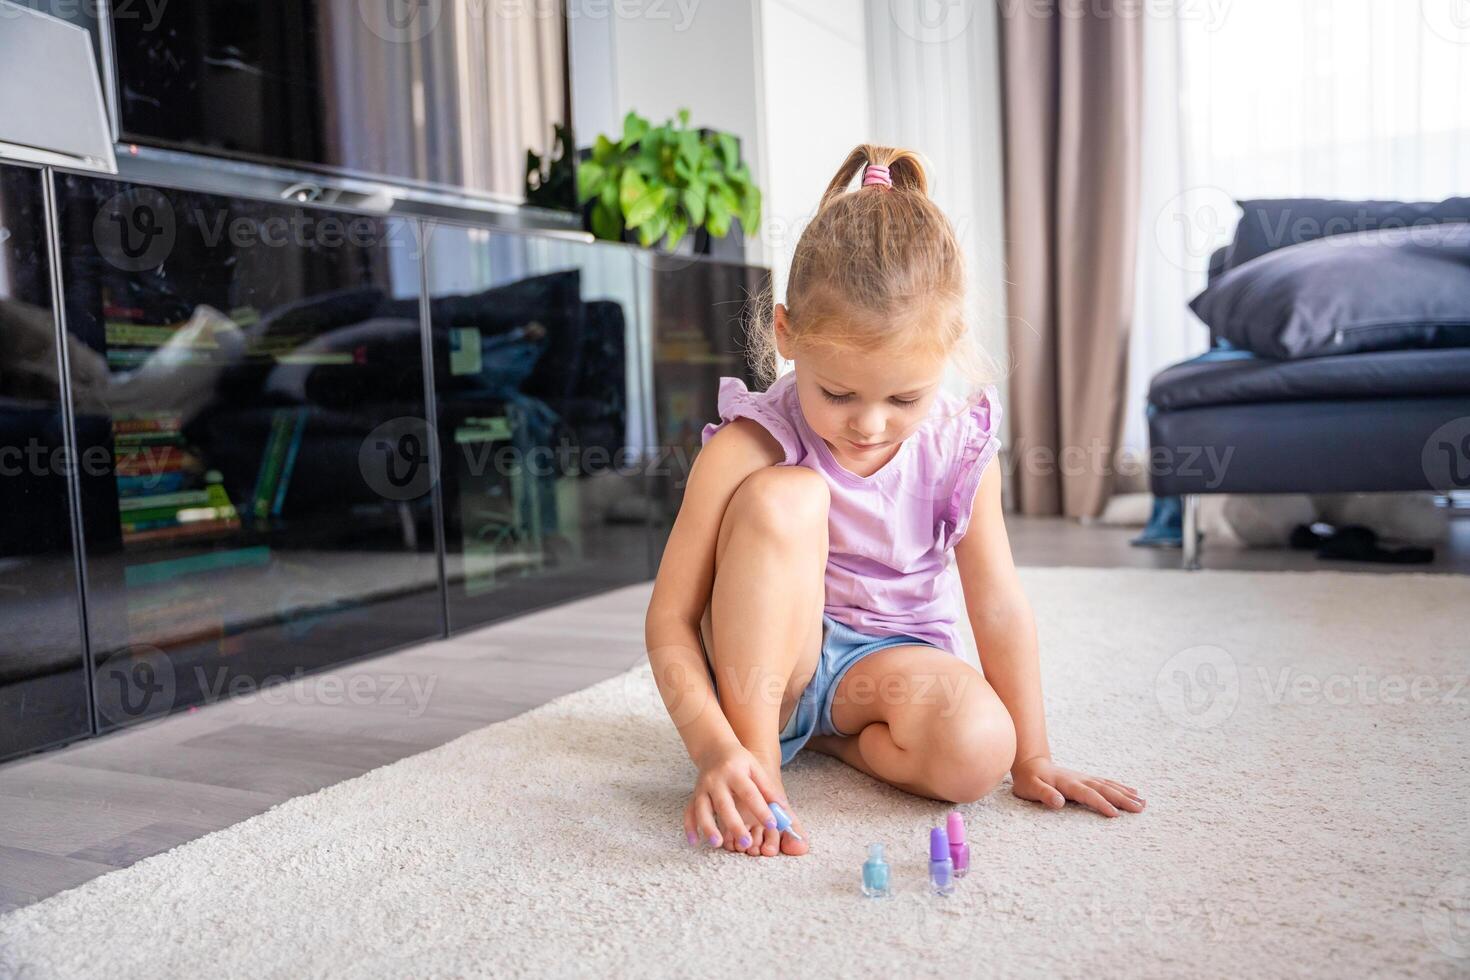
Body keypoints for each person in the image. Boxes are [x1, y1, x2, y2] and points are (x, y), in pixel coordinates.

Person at [643, 144, 1145, 858]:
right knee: (787, 496)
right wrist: (714, 750)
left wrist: (1033, 756)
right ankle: (760, 770)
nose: (869, 424)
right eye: (838, 393)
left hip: (885, 669)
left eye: (905, 397)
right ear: (785, 334)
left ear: (948, 352)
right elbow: (669, 621)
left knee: (982, 748)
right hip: (768, 672)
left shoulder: (958, 445)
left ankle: (834, 742)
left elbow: (997, 602)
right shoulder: (748, 442)